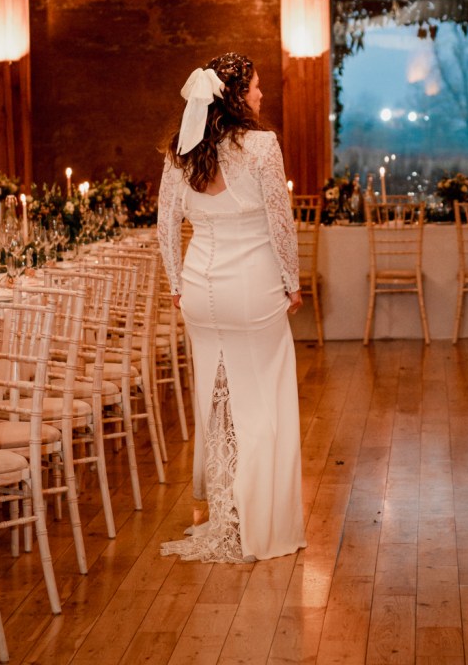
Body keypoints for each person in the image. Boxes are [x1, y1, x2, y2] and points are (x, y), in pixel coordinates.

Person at [157, 52, 306, 563]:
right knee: (264, 402)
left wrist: (177, 284)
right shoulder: (262, 146)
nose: (262, 95)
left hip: (200, 288)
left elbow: (165, 225)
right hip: (254, 287)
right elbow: (280, 223)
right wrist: (293, 282)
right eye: (256, 87)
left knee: (217, 406)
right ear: (236, 95)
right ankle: (263, 526)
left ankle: (229, 516)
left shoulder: (183, 149)